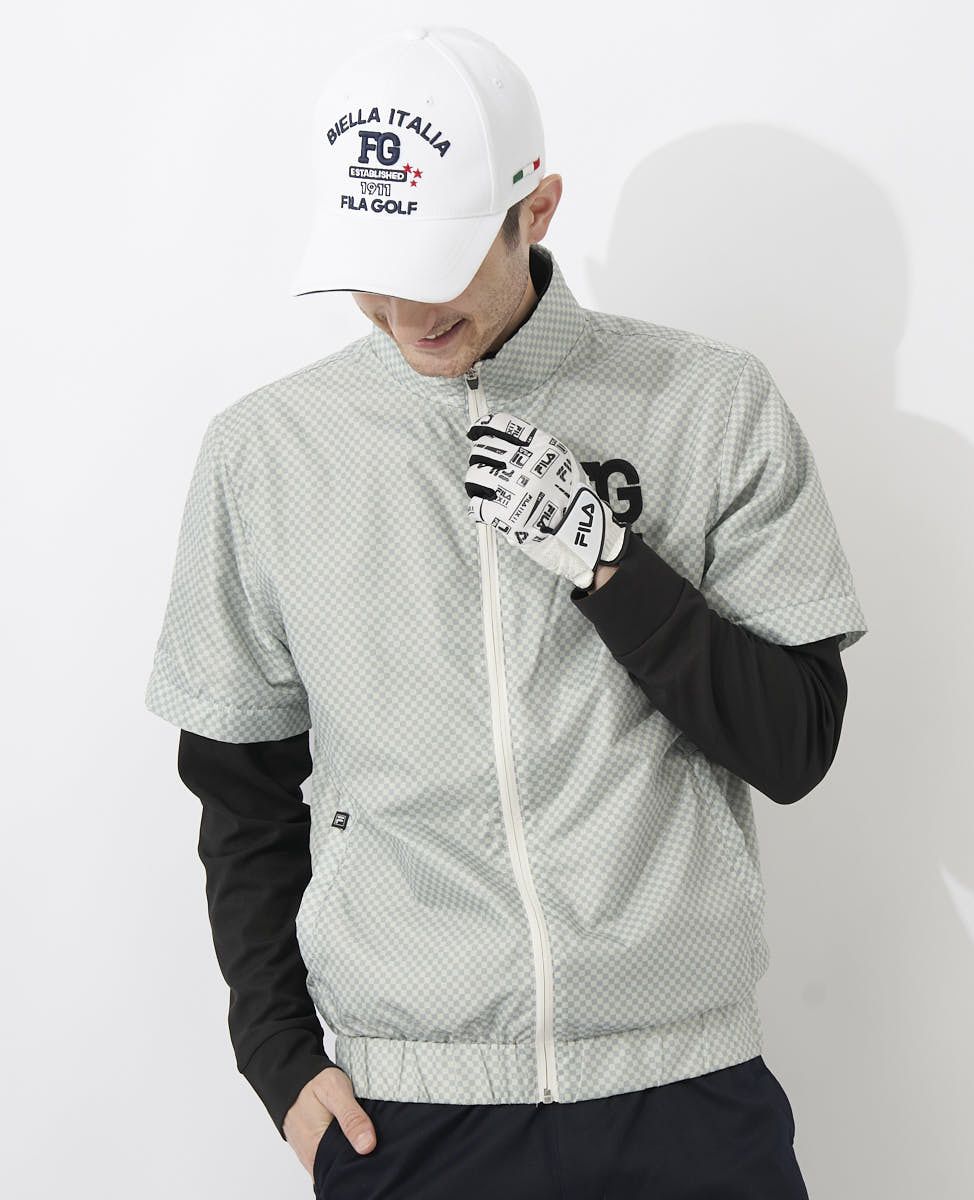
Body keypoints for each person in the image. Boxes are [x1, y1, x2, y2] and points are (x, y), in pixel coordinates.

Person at [144, 25, 868, 1199]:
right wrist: (278, 1060)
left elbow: (793, 746)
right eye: (371, 270)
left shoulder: (708, 404)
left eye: (436, 266)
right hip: (410, 1113)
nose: (402, 310)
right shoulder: (267, 454)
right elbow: (241, 794)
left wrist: (609, 566)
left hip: (684, 1092)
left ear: (535, 211)